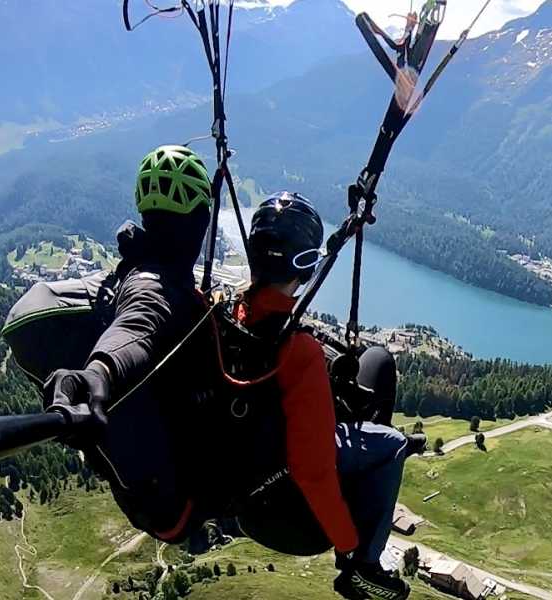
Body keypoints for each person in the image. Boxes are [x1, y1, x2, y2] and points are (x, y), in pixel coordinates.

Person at [233, 191, 418, 600]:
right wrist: (347, 542)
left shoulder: (237, 314)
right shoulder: (298, 352)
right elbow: (312, 472)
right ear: (304, 263)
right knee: (391, 444)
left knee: (377, 362)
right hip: (291, 516)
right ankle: (363, 567)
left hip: (246, 489)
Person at [43, 145, 217, 541]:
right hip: (175, 501)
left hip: (149, 487)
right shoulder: (154, 283)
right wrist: (98, 374)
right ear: (200, 222)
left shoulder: (143, 266)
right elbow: (138, 326)